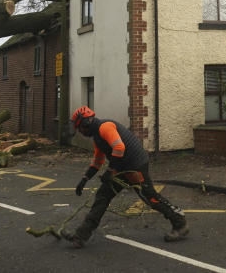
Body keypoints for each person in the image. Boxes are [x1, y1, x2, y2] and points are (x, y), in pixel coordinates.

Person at [63, 106, 188, 248]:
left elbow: (119, 147)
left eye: (80, 128)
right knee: (103, 196)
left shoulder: (105, 127)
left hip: (135, 165)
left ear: (86, 123)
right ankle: (80, 236)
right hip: (121, 166)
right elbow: (98, 161)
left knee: (150, 198)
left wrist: (111, 171)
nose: (80, 132)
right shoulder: (97, 137)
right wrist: (84, 179)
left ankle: (180, 224)